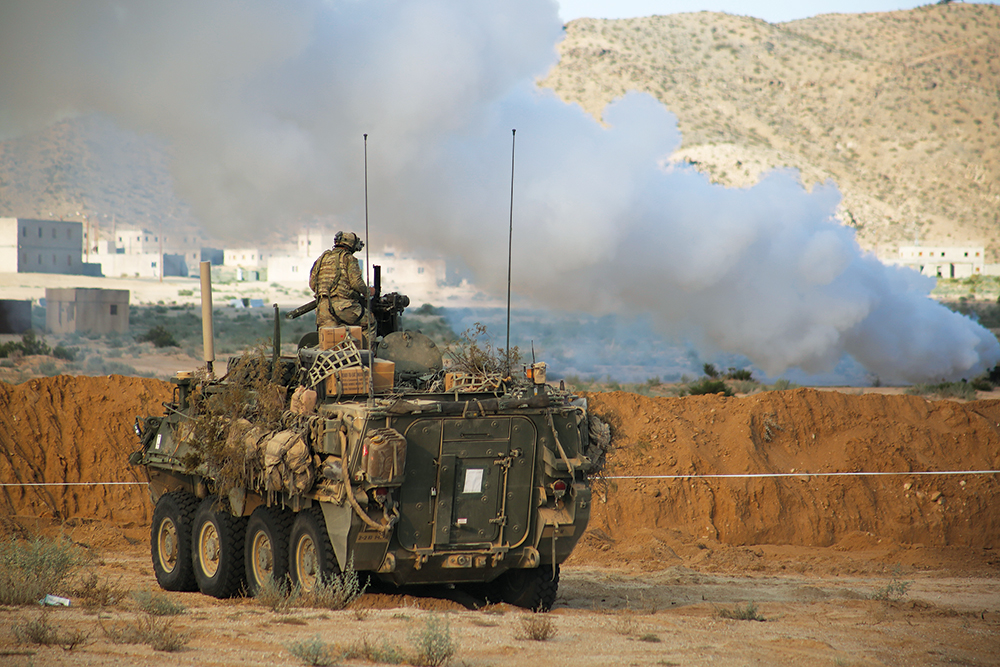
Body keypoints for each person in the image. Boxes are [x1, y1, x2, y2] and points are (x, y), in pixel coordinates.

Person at [309, 231, 374, 337]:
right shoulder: (349, 258)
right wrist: (368, 291)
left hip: (323, 308)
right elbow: (356, 283)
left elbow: (313, 284)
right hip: (344, 307)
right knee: (370, 322)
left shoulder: (322, 258)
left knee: (331, 339)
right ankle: (368, 353)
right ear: (351, 245)